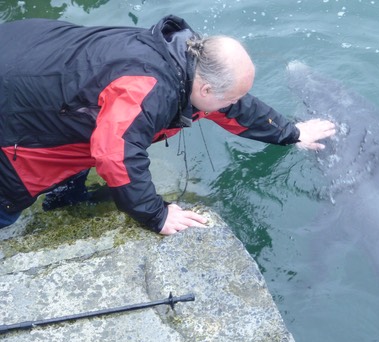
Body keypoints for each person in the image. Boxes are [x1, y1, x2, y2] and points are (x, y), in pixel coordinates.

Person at [0, 15, 335, 235]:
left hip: (30, 54)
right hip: (13, 109)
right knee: (8, 200)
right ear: (206, 90)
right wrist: (156, 215)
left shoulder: (190, 59)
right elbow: (116, 154)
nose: (234, 104)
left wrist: (291, 133)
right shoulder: (147, 90)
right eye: (229, 98)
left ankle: (65, 197)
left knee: (83, 134)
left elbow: (235, 106)